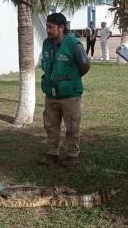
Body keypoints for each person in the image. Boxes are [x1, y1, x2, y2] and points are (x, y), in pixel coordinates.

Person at [39, 13, 91, 167]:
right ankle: (52, 153)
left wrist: (72, 78)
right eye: (47, 26)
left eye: (51, 27)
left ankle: (72, 155)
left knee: (72, 126)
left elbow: (85, 65)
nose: (47, 30)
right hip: (51, 92)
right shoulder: (47, 43)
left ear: (61, 27)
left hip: (70, 94)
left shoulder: (74, 44)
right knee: (50, 125)